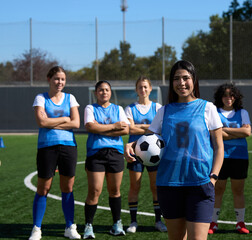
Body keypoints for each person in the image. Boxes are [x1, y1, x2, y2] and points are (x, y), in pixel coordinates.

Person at [124, 60, 224, 240]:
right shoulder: (164, 111)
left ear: (194, 79)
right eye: (176, 79)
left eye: (186, 78)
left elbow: (219, 146)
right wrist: (130, 145)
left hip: (200, 185)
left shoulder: (207, 108)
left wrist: (213, 178)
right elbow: (146, 140)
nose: (181, 83)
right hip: (169, 185)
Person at [29, 66, 81, 240]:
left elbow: (76, 124)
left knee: (67, 187)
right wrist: (65, 119)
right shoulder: (40, 98)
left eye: (63, 79)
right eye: (57, 79)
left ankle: (69, 227)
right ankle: (36, 228)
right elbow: (41, 122)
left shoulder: (70, 98)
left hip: (68, 147)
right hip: (46, 147)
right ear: (49, 79)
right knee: (43, 187)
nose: (60, 82)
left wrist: (52, 122)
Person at [82, 80, 130, 239]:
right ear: (96, 93)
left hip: (116, 154)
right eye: (101, 90)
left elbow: (126, 130)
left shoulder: (118, 109)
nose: (104, 92)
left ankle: (117, 224)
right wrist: (114, 126)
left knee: (115, 191)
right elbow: (90, 127)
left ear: (110, 92)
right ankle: (88, 226)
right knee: (94, 191)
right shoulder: (90, 108)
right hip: (96, 154)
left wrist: (101, 129)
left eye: (107, 90)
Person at [124, 76, 167, 233]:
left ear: (150, 89)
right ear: (136, 90)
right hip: (135, 153)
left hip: (155, 153)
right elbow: (131, 129)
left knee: (155, 187)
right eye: (140, 87)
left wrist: (139, 126)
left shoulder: (158, 108)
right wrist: (149, 127)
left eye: (145, 87)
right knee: (135, 186)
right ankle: (133, 222)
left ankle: (158, 221)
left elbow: (160, 128)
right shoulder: (129, 108)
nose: (143, 90)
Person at [208, 83, 251, 235]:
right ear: (221, 97)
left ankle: (240, 223)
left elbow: (247, 132)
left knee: (238, 190)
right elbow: (214, 134)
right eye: (225, 95)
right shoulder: (214, 112)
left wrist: (224, 129)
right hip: (220, 157)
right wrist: (236, 132)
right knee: (218, 190)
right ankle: (213, 223)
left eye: (231, 95)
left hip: (239, 156)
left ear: (235, 97)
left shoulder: (242, 112)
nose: (228, 98)